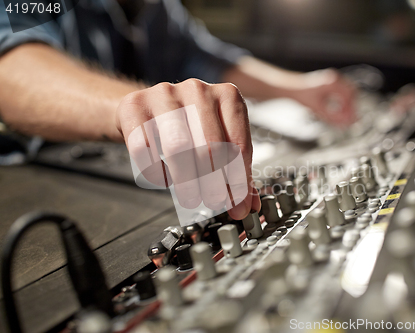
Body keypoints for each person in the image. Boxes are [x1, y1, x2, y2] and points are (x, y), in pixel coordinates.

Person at [0, 0, 356, 220]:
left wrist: (298, 87)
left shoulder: (158, 7)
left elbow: (205, 57)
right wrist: (132, 107)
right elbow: (11, 70)